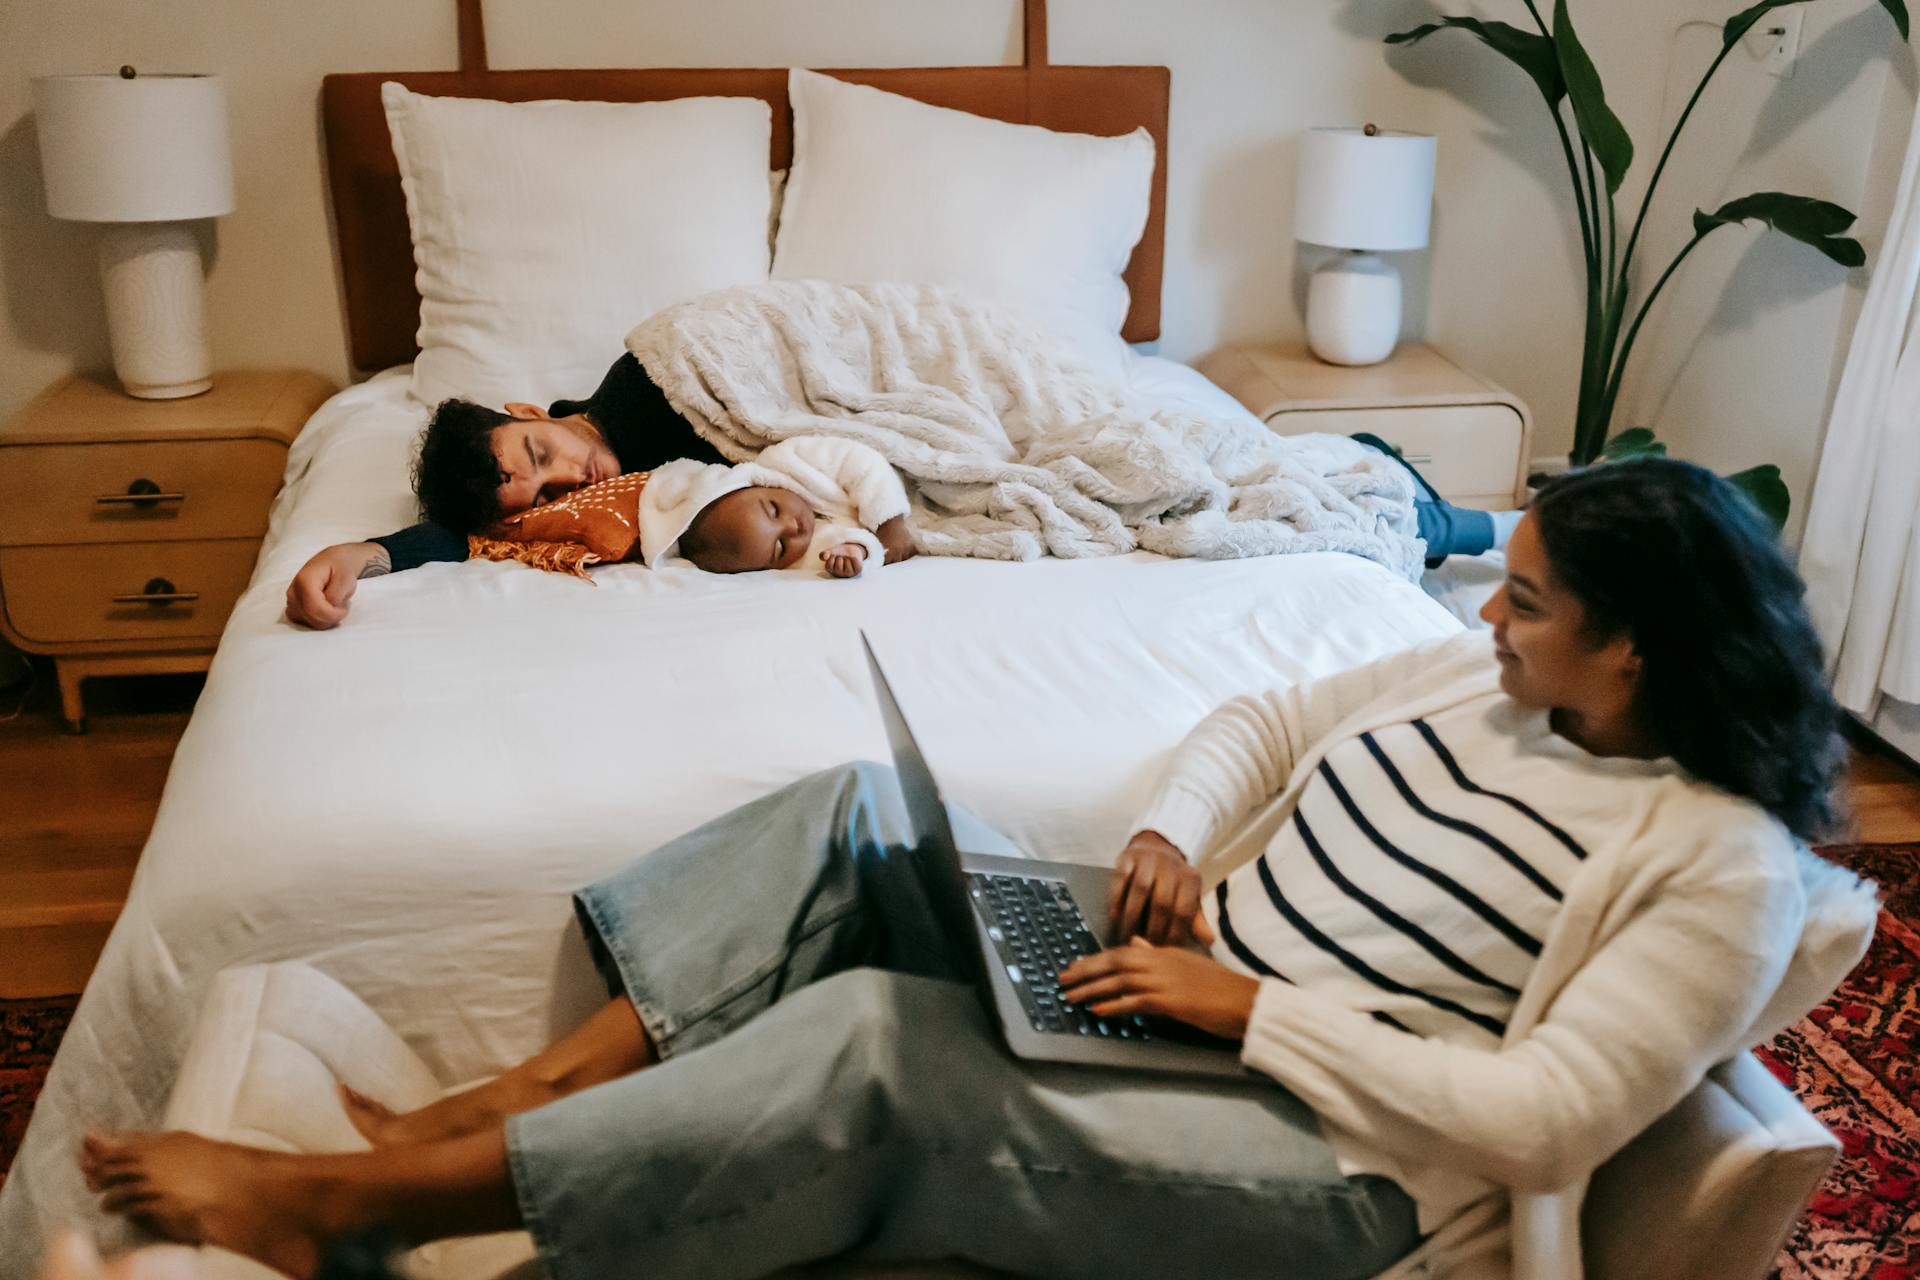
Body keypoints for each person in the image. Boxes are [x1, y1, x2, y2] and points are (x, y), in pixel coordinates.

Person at [107, 456, 1831, 1279]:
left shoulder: (1717, 865)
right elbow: (1273, 710)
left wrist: (1248, 1010)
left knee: (883, 1047)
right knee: (857, 808)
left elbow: (1539, 1123)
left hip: (1338, 1153)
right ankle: (495, 1103)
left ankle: (356, 1207)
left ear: (1641, 650)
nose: (1485, 614)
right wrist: (1164, 837)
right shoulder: (1477, 670)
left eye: (1526, 599)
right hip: (1180, 991)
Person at [284, 354, 1520, 628]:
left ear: (529, 411)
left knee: (1213, 459)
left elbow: (817, 398)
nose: (567, 478)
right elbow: (479, 530)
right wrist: (374, 555)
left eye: (541, 453)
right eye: (534, 491)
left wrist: (885, 516)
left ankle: (1458, 520)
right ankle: (1449, 519)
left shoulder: (648, 375)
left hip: (926, 406)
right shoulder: (617, 508)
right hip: (852, 493)